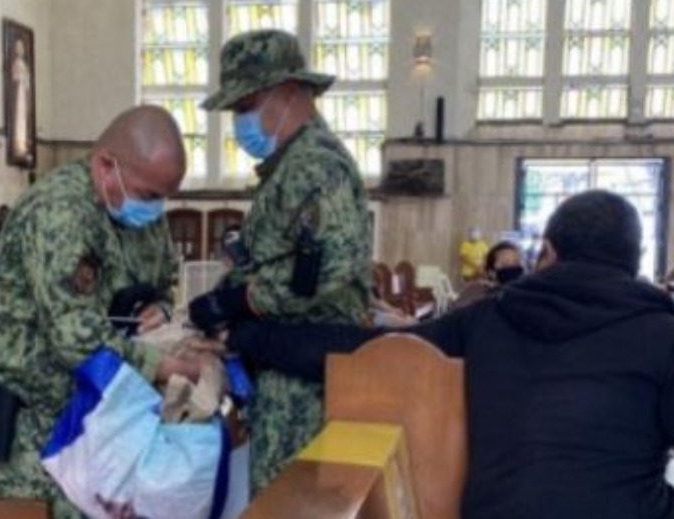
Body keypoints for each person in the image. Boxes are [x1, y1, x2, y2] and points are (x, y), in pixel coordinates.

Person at [225, 191, 674, 519]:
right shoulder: (661, 334)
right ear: (634, 263)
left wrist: (250, 334)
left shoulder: (491, 319)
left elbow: (363, 352)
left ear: (549, 253)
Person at [0, 106, 211, 518]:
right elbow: (75, 337)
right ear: (105, 165)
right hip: (30, 404)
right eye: (150, 195)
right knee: (62, 511)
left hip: (99, 398)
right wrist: (166, 366)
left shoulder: (139, 207)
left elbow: (165, 274)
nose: (155, 208)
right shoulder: (58, 212)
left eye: (163, 197)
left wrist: (158, 307)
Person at [186, 29, 373, 492]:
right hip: (284, 363)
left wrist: (243, 300)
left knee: (288, 498)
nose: (238, 121)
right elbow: (280, 256)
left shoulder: (315, 164)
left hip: (305, 377)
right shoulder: (289, 164)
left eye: (245, 105)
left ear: (290, 92)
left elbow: (328, 265)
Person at [451, 240, 524, 310]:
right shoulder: (477, 292)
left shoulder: (524, 295)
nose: (511, 267)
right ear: (491, 271)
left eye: (516, 263)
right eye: (505, 263)